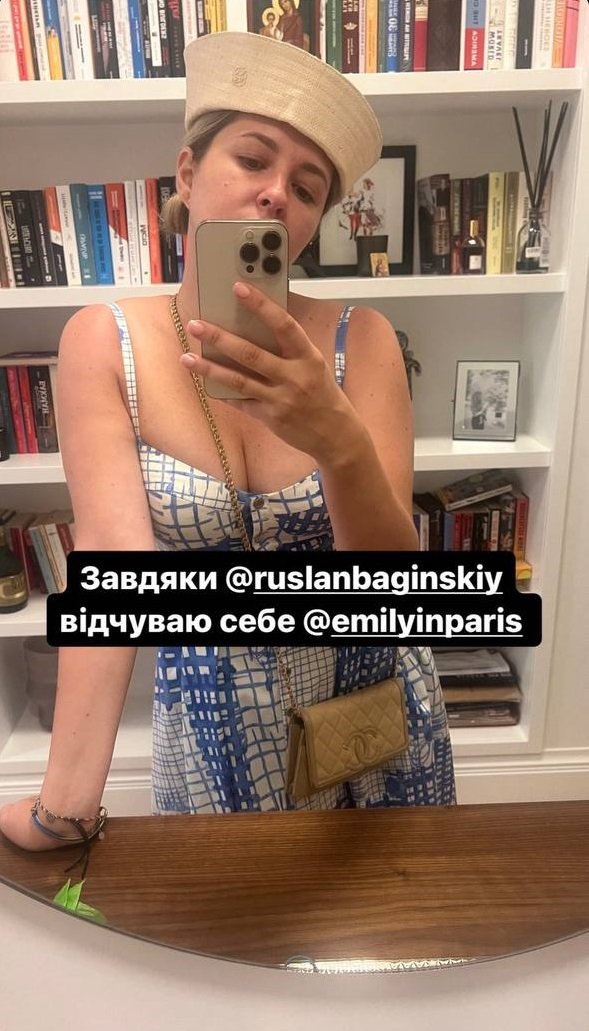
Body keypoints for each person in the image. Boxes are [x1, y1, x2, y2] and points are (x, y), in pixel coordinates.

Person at [0, 31, 455, 855]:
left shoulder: (362, 341)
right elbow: (114, 566)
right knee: (223, 925)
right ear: (186, 172)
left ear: (313, 222)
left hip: (372, 712)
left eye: (306, 188)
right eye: (252, 159)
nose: (276, 193)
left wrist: (335, 438)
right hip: (217, 732)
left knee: (395, 924)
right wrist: (63, 806)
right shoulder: (105, 344)